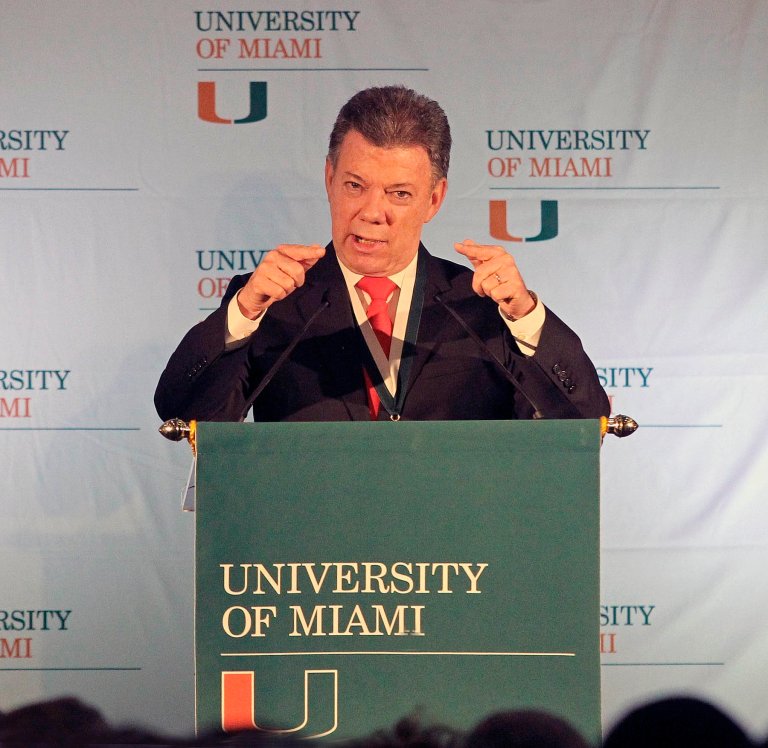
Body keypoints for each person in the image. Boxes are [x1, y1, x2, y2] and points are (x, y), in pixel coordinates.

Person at [155, 85, 609, 423]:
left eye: (398, 193)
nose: (372, 212)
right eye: (355, 186)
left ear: (434, 199)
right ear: (329, 178)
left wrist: (526, 316)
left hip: (462, 545)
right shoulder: (271, 305)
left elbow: (586, 420)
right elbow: (181, 415)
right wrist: (242, 314)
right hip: (307, 545)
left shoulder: (483, 307)